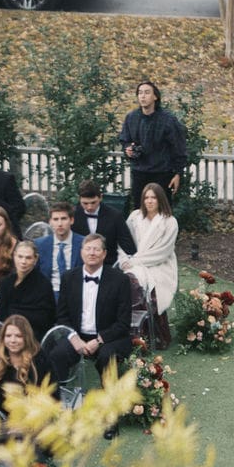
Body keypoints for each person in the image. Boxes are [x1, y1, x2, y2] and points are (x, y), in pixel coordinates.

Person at [47, 233, 134, 396]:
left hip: (108, 337)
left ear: (104, 254)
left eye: (96, 249)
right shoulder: (69, 278)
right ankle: (58, 403)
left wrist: (99, 340)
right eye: (88, 249)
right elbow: (62, 316)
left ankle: (111, 406)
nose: (92, 253)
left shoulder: (119, 280)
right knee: (57, 354)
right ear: (81, 252)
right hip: (77, 335)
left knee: (107, 356)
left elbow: (123, 323)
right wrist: (74, 338)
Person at [120, 80, 188, 208]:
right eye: (140, 93)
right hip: (139, 172)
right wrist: (128, 149)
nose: (143, 96)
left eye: (147, 93)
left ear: (155, 96)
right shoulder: (131, 118)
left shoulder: (168, 120)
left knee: (162, 211)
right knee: (140, 211)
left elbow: (179, 148)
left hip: (162, 173)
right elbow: (125, 140)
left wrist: (178, 173)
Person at [118, 182, 179, 322]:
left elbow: (163, 252)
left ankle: (151, 330)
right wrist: (123, 260)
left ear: (160, 199)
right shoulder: (135, 217)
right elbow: (123, 241)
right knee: (126, 279)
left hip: (160, 264)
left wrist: (134, 262)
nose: (149, 201)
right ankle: (127, 325)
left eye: (154, 197)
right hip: (133, 261)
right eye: (146, 198)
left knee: (140, 282)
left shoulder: (170, 222)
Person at [0, 314, 53, 413]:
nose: (13, 340)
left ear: (26, 338)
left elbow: (52, 394)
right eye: (8, 336)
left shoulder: (39, 359)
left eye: (18, 336)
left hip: (32, 418)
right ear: (3, 338)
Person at [0, 239, 57, 341]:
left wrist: (14, 312)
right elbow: (1, 314)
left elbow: (46, 318)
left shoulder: (44, 284)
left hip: (34, 335)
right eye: (20, 257)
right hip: (9, 334)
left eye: (28, 258)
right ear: (14, 256)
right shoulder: (5, 283)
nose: (23, 262)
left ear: (35, 259)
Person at [73, 181, 137, 269]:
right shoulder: (73, 215)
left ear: (100, 197)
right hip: (80, 267)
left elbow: (128, 246)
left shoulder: (115, 216)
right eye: (85, 203)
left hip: (108, 266)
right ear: (79, 199)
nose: (89, 207)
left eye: (93, 202)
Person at [36, 200, 85, 294]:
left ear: (71, 220)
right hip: (48, 294)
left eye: (63, 218)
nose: (60, 224)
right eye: (55, 219)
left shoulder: (83, 243)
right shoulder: (40, 245)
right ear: (50, 222)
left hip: (76, 293)